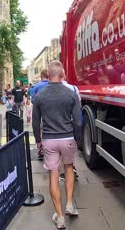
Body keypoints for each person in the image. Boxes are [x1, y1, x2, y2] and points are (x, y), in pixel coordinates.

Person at [33, 61, 81, 229]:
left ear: (49, 74)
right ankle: (69, 204)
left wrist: (38, 141)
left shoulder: (39, 95)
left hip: (49, 139)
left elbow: (35, 121)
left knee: (53, 174)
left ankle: (60, 218)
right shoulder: (71, 94)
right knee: (69, 168)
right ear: (62, 75)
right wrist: (77, 139)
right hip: (67, 138)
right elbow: (77, 120)